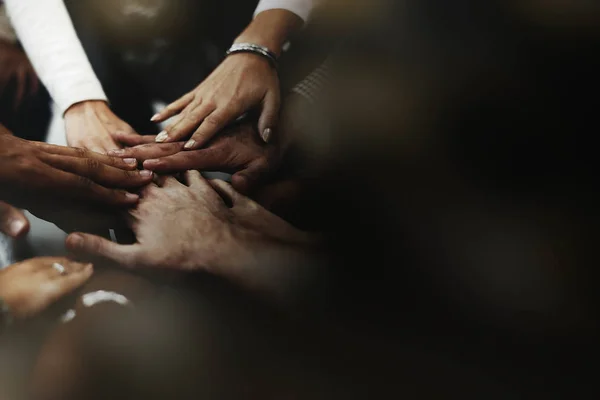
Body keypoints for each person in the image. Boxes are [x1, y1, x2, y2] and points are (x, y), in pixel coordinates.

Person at [6, 0, 317, 154]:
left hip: (219, 22)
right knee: (124, 148)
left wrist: (262, 38)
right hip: (95, 24)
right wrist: (80, 100)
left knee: (244, 130)